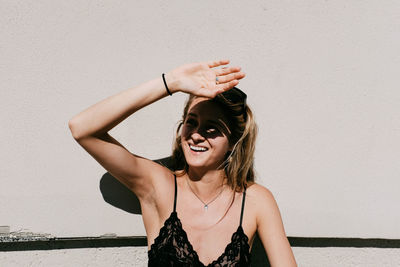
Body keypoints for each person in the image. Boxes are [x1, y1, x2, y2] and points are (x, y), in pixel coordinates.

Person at [68, 60, 297, 266]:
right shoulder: (159, 186)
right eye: (191, 122)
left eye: (212, 128)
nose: (196, 135)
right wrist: (171, 82)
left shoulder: (256, 201)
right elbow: (82, 129)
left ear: (233, 142)